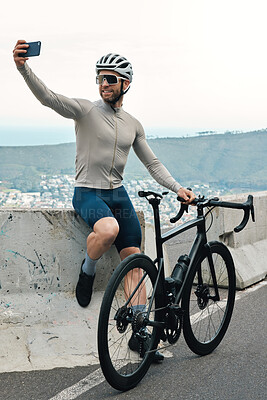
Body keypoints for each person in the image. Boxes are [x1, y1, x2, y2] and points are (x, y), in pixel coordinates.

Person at [13, 40, 196, 362]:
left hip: (118, 193)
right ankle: (88, 269)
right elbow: (48, 98)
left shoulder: (133, 124)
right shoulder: (85, 110)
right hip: (88, 191)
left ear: (126, 83)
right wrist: (23, 67)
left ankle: (140, 335)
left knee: (134, 259)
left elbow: (152, 163)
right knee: (108, 230)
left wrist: (177, 188)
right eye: (99, 78)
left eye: (110, 79)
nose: (103, 85)